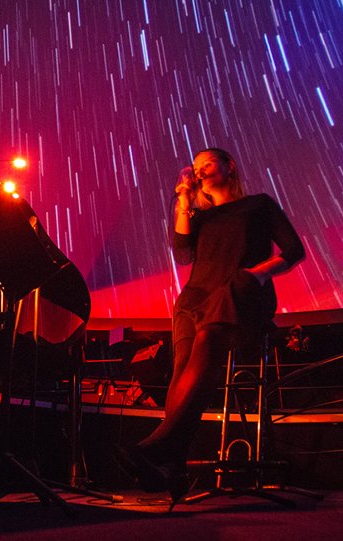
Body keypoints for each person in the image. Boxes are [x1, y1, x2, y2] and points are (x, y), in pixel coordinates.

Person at [116, 147, 305, 503]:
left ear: (229, 166)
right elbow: (182, 251)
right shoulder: (199, 216)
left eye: (207, 163)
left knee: (205, 344)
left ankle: (157, 448)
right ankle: (172, 464)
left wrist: (256, 274)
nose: (199, 170)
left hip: (239, 289)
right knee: (181, 371)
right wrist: (183, 199)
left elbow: (295, 251)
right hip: (194, 298)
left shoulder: (259, 204)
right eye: (195, 166)